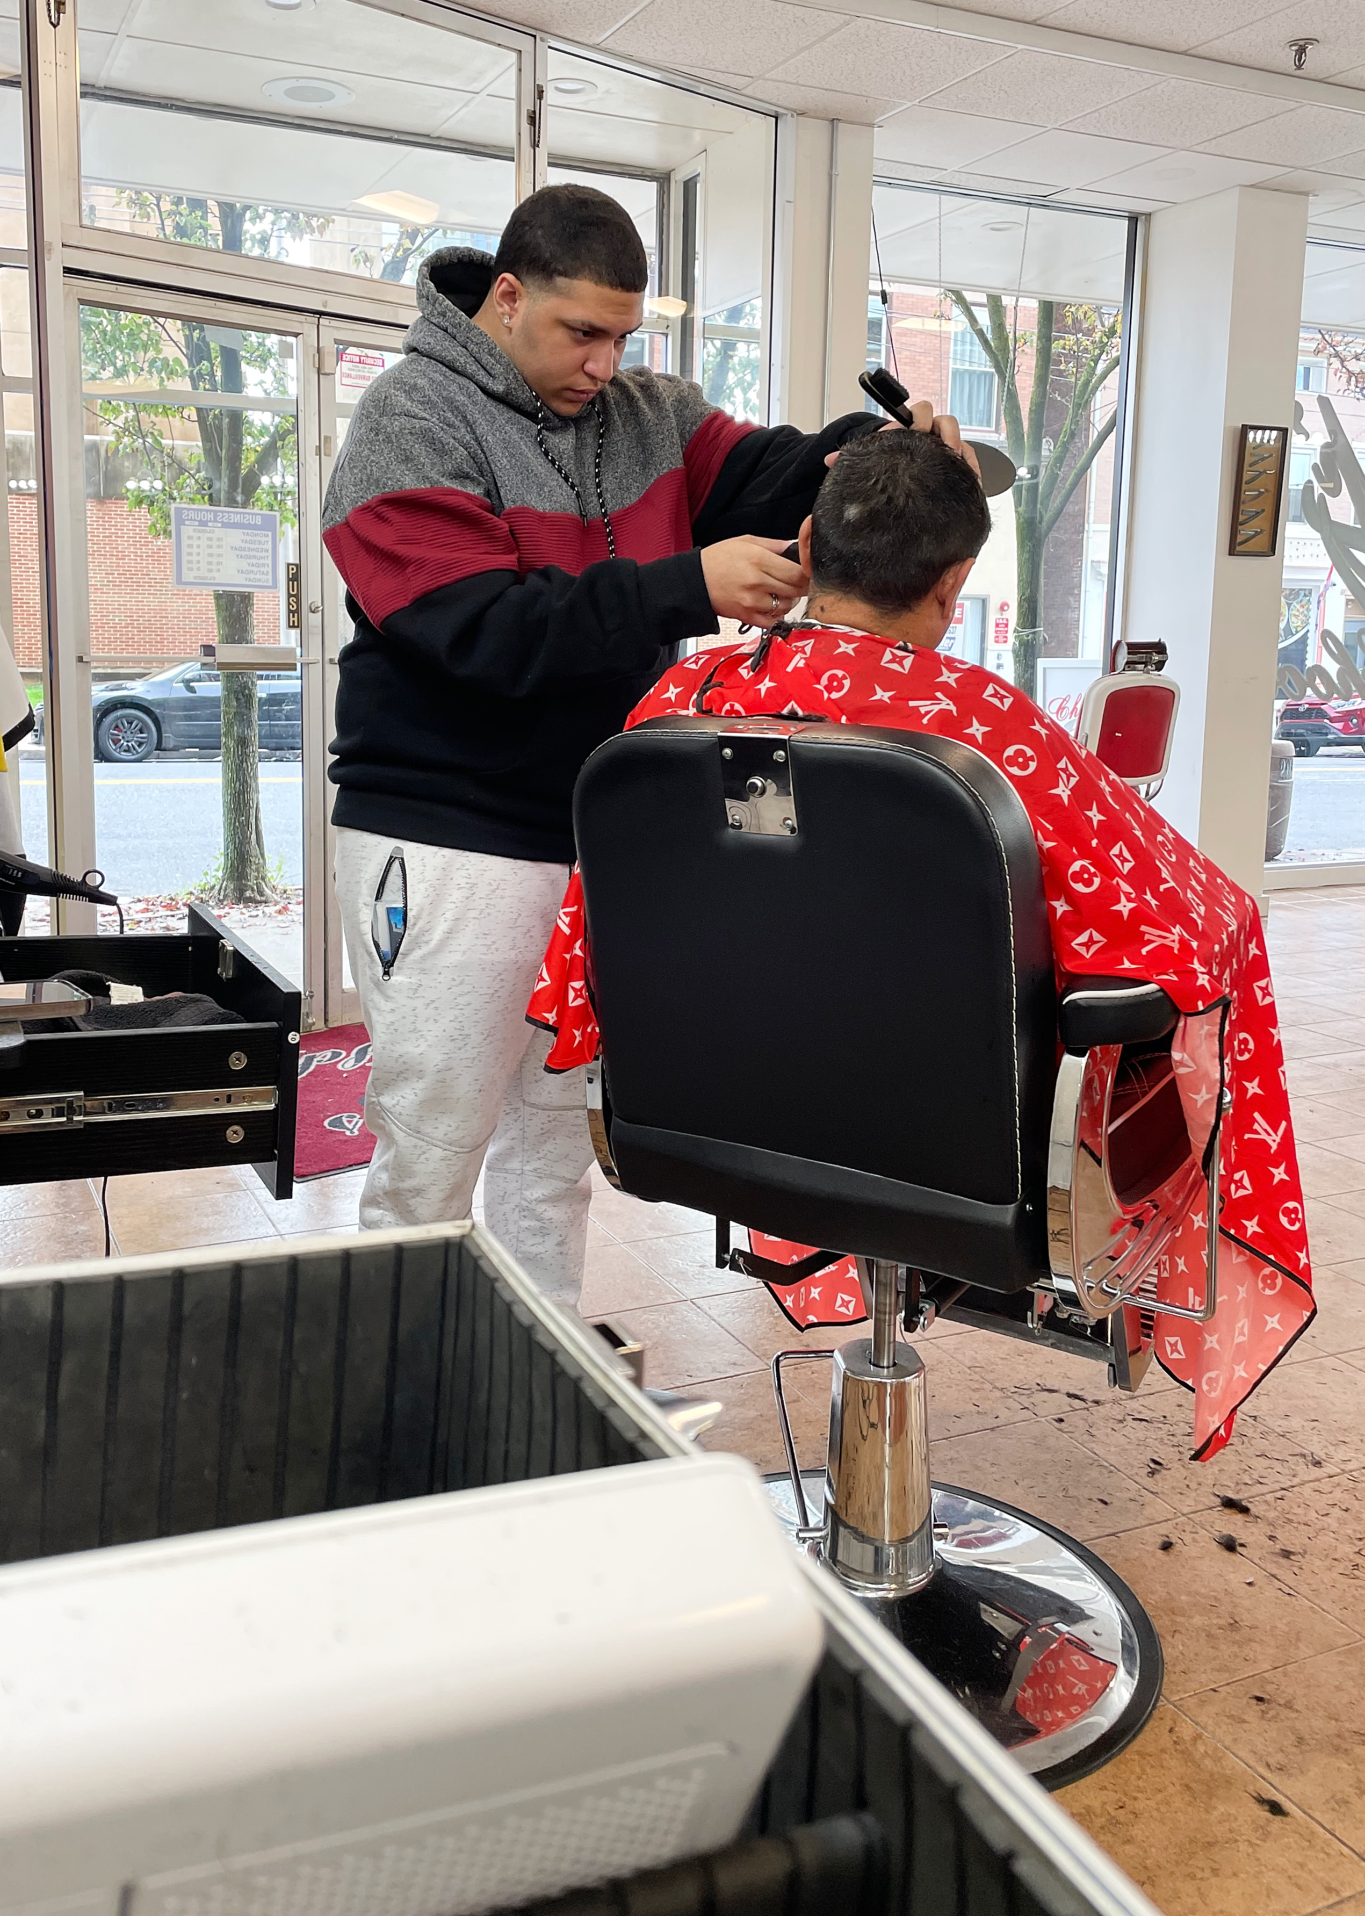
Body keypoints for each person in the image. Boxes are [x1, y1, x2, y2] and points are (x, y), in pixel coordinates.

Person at [529, 417, 1315, 1458]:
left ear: (809, 546)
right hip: (953, 1158)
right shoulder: (983, 727)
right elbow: (1186, 929)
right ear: (953, 584)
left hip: (709, 1131)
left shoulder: (681, 704)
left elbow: (591, 951)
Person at [323, 182, 882, 1301]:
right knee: (432, 1151)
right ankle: (397, 1392)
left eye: (623, 336)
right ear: (507, 296)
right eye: (581, 331)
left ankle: (541, 1380)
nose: (602, 362)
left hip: (590, 836)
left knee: (550, 1153)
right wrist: (686, 585)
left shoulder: (646, 413)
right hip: (447, 838)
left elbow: (777, 472)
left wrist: (874, 450)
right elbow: (481, 632)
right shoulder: (408, 420)